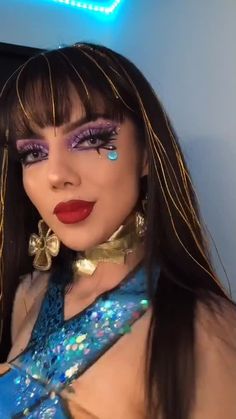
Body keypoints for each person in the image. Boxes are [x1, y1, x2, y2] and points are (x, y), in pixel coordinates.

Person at [0, 42, 235, 419]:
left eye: (91, 139)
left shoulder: (206, 332)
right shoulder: (31, 293)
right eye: (33, 153)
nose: (57, 174)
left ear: (144, 153)